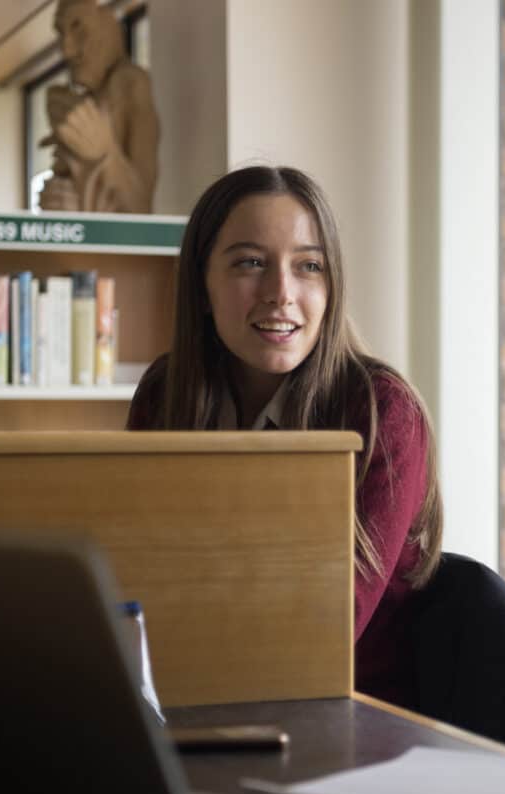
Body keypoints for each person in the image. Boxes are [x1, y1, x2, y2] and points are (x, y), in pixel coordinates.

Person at [127, 165, 443, 706]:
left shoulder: (381, 412)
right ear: (202, 285)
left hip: (346, 719)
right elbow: (131, 575)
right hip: (191, 699)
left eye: (308, 267)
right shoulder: (166, 390)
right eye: (251, 263)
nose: (281, 292)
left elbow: (324, 632)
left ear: (332, 286)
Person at [40, 0, 159, 213]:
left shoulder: (131, 83)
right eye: (61, 32)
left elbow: (141, 207)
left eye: (78, 28)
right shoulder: (89, 99)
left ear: (106, 26)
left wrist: (106, 153)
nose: (67, 50)